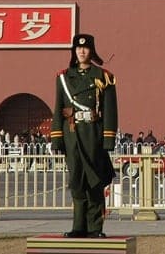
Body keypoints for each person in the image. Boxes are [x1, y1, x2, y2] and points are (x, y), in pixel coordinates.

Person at [51, 33, 118, 239]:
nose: (81, 51)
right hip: (72, 134)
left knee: (95, 181)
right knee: (77, 181)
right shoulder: (63, 77)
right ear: (73, 51)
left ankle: (95, 227)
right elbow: (58, 108)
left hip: (93, 134)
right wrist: (57, 138)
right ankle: (78, 226)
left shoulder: (103, 76)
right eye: (78, 48)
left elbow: (110, 110)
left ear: (92, 50)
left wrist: (108, 138)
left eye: (86, 48)